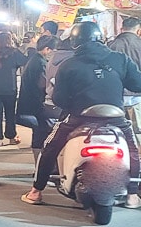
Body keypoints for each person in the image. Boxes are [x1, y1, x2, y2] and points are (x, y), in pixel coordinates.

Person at [23, 21, 141, 208]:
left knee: (49, 147)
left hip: (79, 117)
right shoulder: (120, 59)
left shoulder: (68, 65)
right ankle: (133, 195)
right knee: (134, 150)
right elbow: (137, 85)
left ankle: (36, 191)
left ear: (74, 42)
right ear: (100, 38)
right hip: (116, 118)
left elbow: (59, 100)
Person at [18, 35, 58, 166]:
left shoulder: (34, 59)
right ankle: (41, 167)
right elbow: (43, 85)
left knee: (38, 135)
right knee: (42, 135)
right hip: (37, 106)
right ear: (47, 49)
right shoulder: (40, 63)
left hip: (31, 104)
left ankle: (39, 167)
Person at [0, 32, 28, 146]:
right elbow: (24, 61)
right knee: (10, 113)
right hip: (10, 87)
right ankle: (11, 136)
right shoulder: (14, 52)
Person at [108, 16, 141, 133]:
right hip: (137, 96)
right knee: (137, 130)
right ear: (138, 31)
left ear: (122, 29)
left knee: (118, 130)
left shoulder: (111, 45)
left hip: (116, 96)